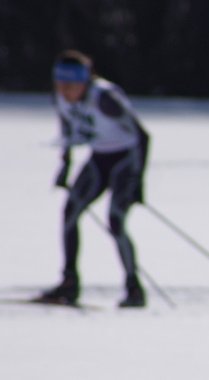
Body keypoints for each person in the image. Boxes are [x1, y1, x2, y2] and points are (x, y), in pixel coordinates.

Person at [37, 49, 150, 308]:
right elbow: (67, 131)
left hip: (124, 161)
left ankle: (134, 288)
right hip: (98, 159)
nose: (65, 92)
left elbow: (143, 136)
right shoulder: (60, 98)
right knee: (69, 213)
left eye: (71, 86)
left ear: (85, 82)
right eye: (60, 85)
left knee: (116, 221)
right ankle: (69, 283)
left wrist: (137, 182)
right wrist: (65, 165)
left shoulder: (105, 99)